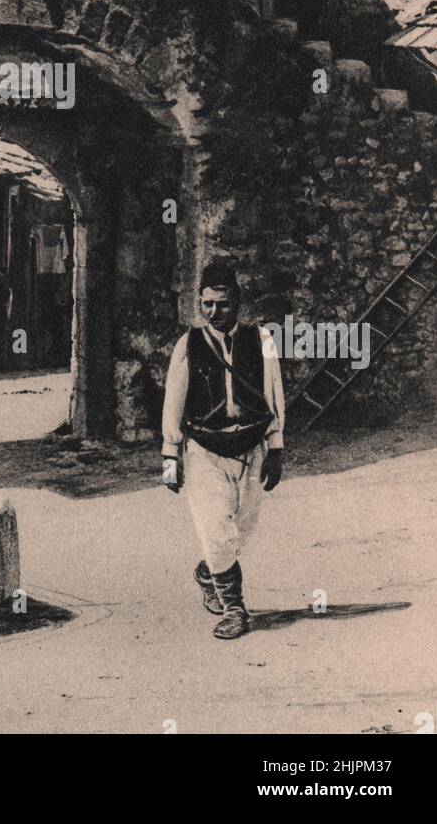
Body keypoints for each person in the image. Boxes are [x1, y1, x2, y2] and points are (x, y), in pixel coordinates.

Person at [161, 260, 285, 639]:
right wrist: (170, 454)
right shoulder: (189, 344)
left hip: (250, 447)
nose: (215, 312)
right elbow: (174, 400)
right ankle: (235, 608)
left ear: (238, 303)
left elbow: (273, 393)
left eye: (223, 304)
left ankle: (207, 572)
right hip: (205, 449)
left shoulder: (260, 340)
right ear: (200, 304)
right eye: (208, 304)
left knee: (241, 530)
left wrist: (276, 447)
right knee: (216, 528)